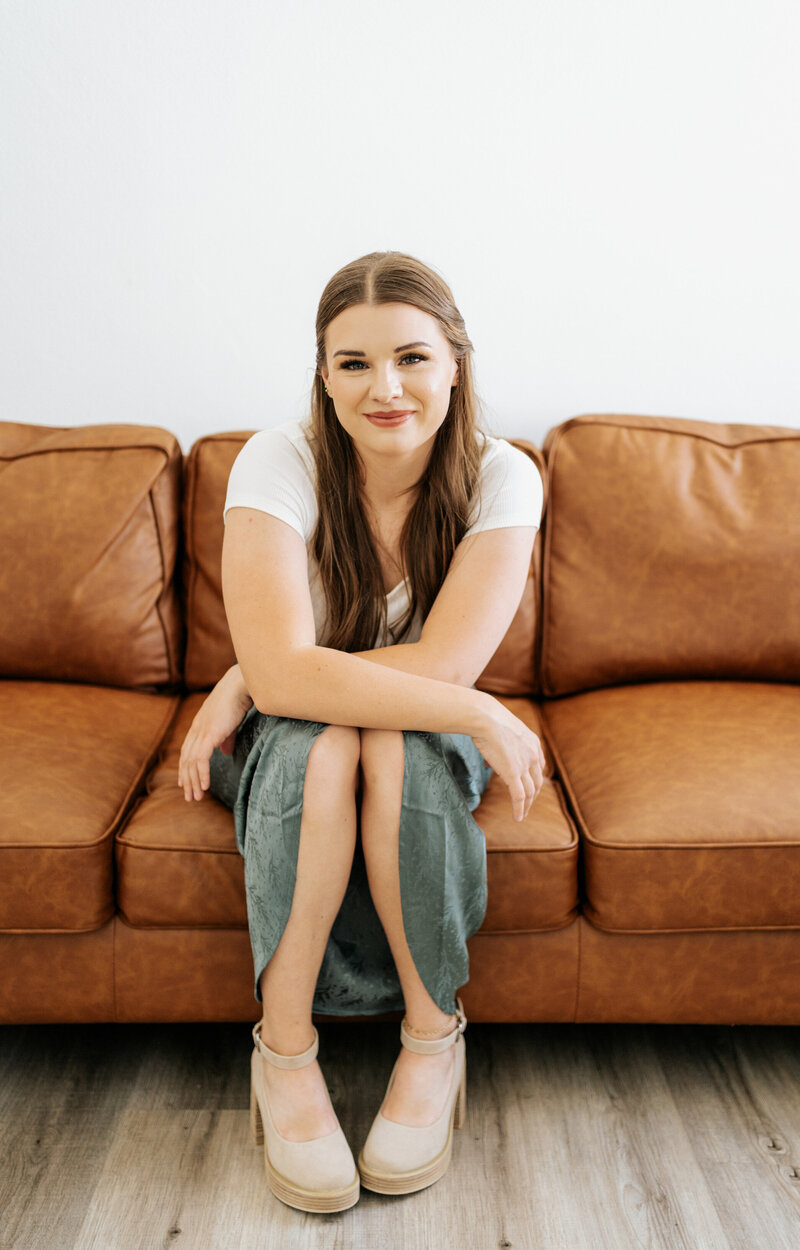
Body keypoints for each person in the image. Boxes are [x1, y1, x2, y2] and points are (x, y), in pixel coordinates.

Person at [176, 250, 545, 1213]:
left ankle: (432, 1037)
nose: (384, 388)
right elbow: (324, 672)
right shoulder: (280, 460)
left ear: (456, 364)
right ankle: (284, 1048)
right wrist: (263, 679)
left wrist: (255, 678)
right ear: (322, 373)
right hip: (303, 733)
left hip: (408, 730)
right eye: (352, 363)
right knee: (336, 743)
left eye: (412, 357)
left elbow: (439, 666)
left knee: (383, 741)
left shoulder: (505, 477)